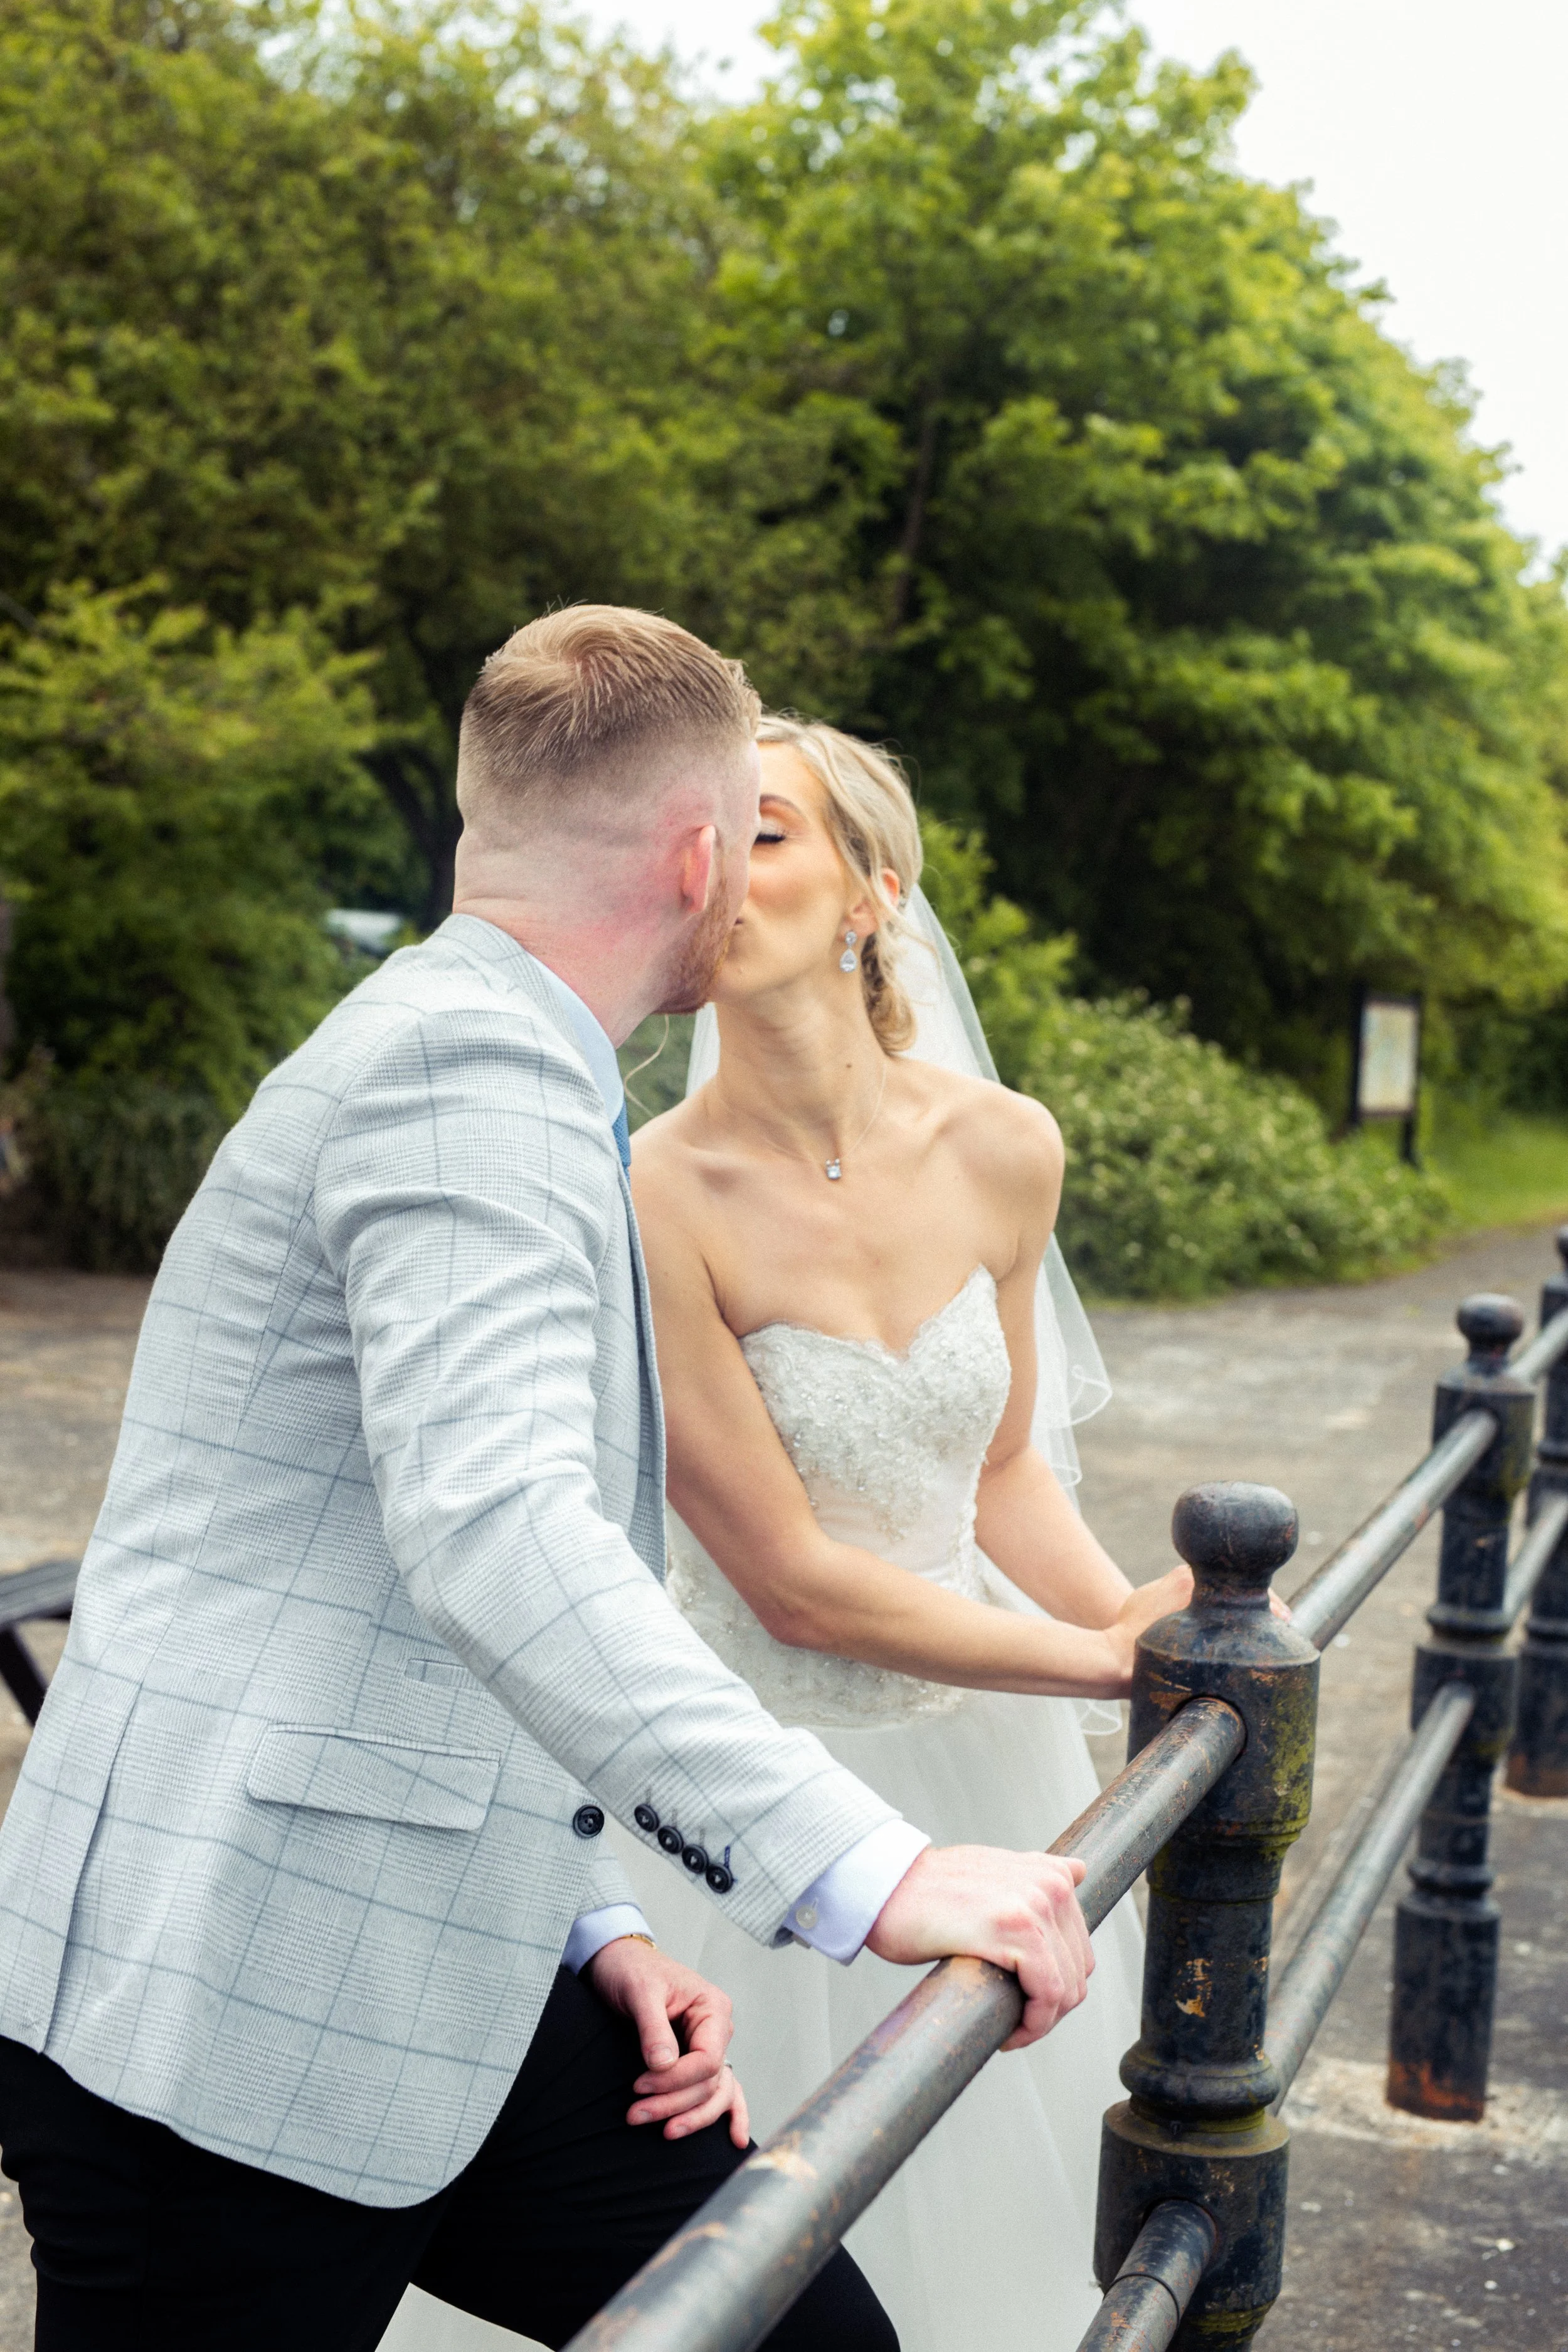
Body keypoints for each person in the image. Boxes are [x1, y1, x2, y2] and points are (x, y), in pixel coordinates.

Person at [0, 610, 1103, 2352]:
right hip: (230, 2005)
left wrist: (590, 1916)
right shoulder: (473, 1073)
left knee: (800, 2330)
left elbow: (404, 1545)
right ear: (692, 856)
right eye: (739, 832)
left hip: (469, 1960)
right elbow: (495, 1533)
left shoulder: (509, 1055)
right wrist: (868, 1871)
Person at [606, 716, 1190, 2352]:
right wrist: (1090, 1653)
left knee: (1025, 2246)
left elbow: (1000, 1476)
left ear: (873, 891)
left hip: (990, 1773)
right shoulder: (651, 1193)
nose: (717, 866)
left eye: (767, 829)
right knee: (759, 2260)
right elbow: (788, 1579)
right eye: (697, 835)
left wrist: (1153, 1631)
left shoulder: (1004, 1148)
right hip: (760, 1789)